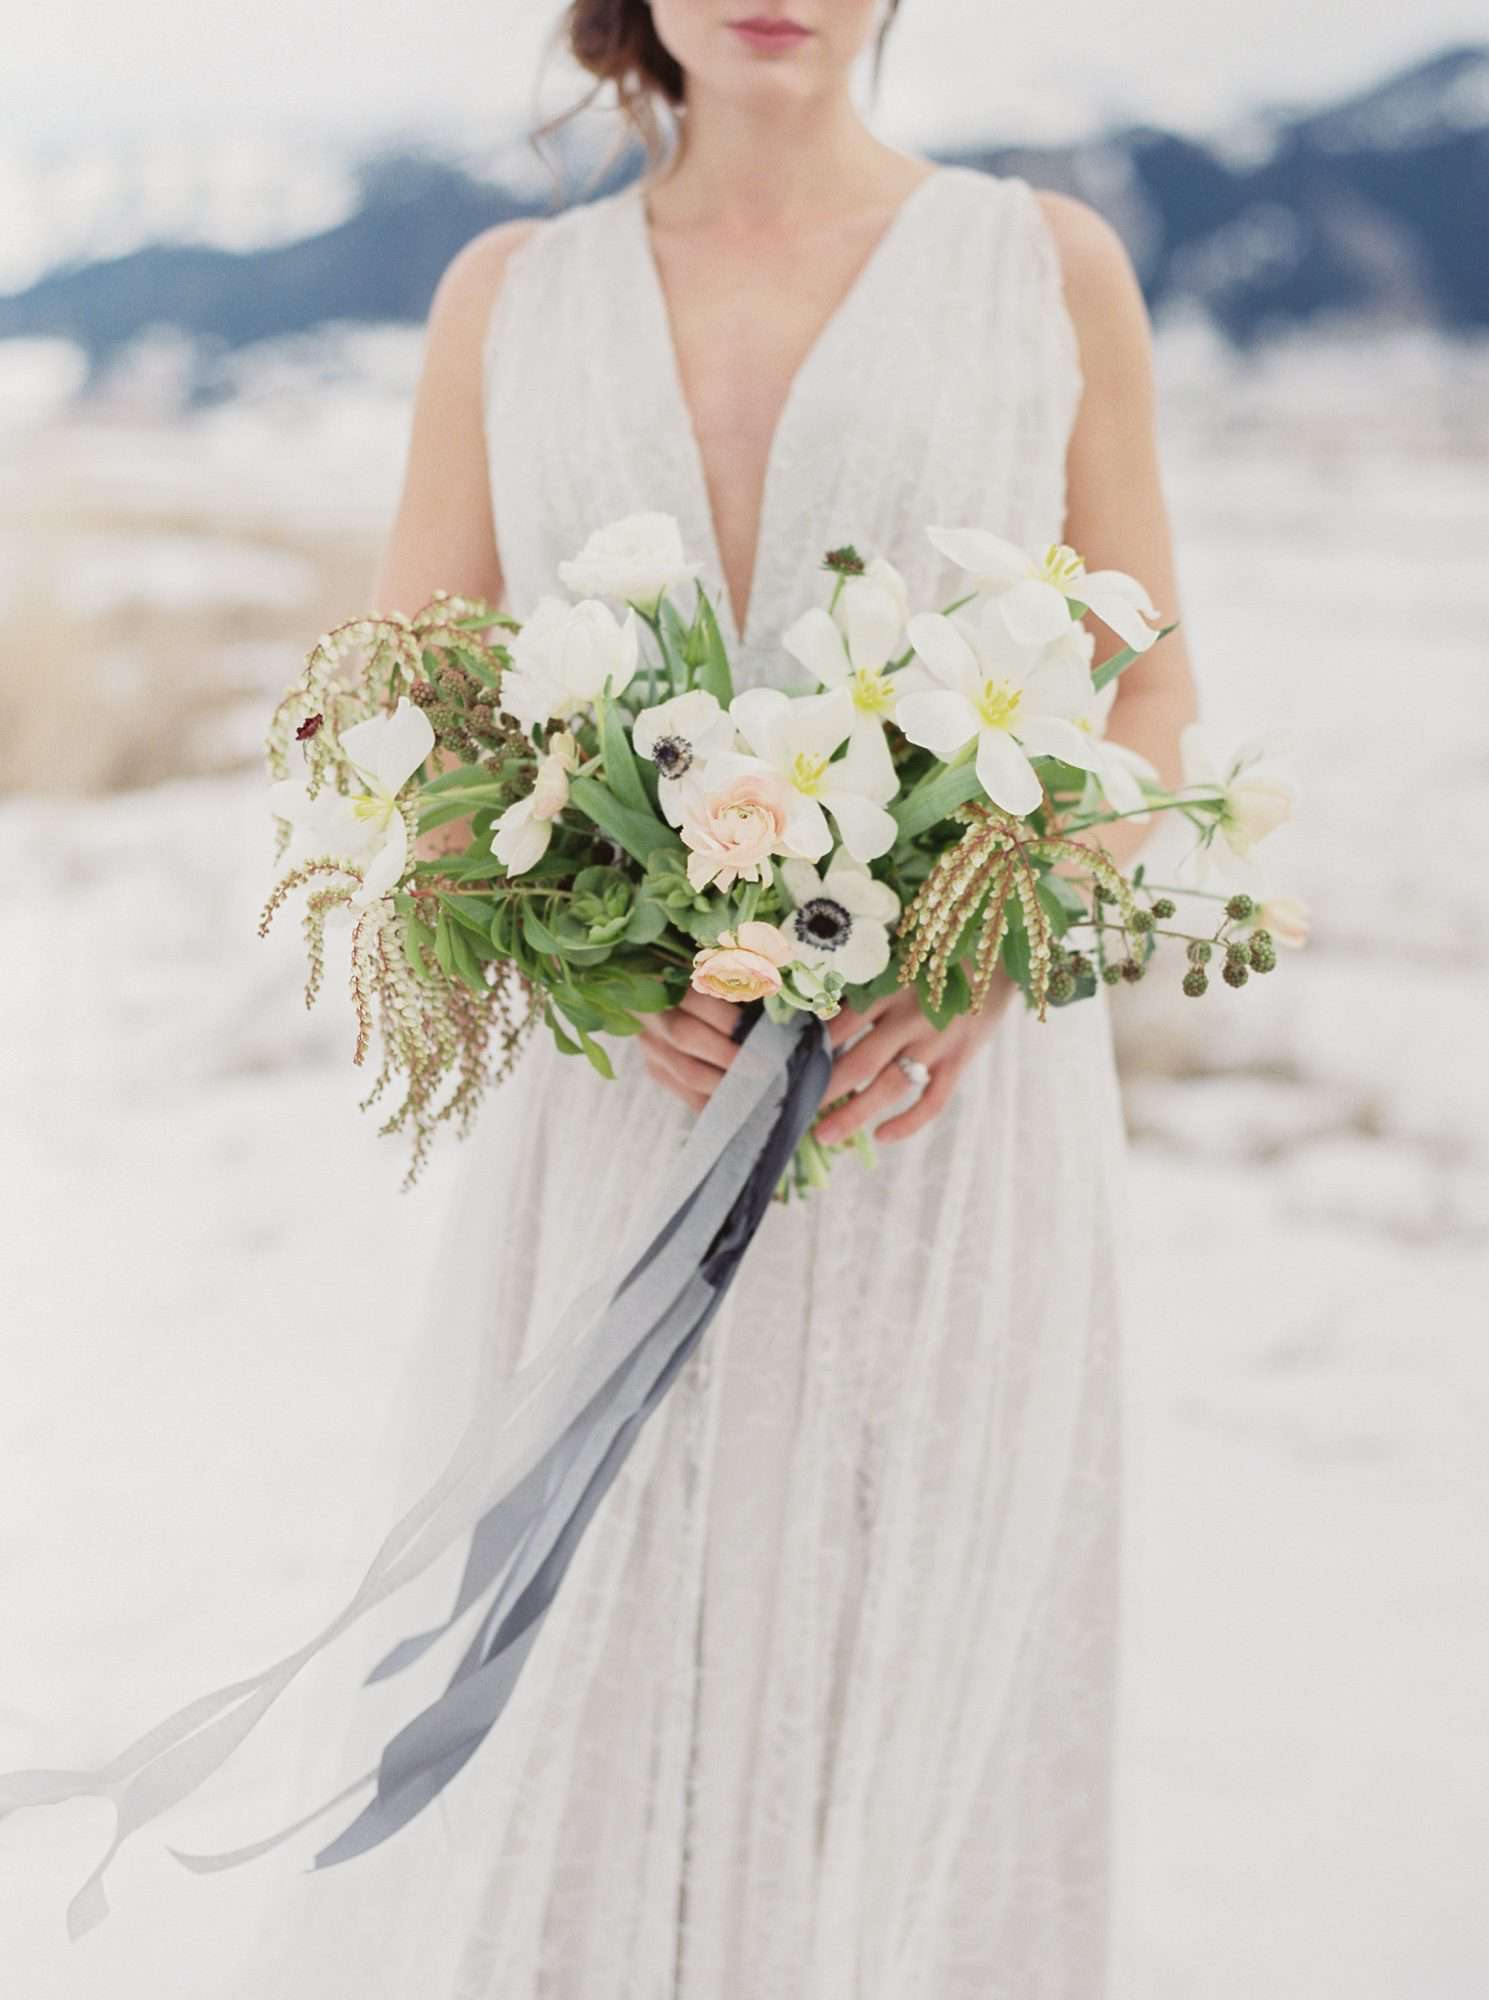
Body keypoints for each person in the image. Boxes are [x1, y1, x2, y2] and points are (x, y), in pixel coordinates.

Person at [254, 2, 1199, 1994]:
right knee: (591, 1697)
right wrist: (585, 979)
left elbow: (1152, 688)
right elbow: (427, 712)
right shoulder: (507, 297)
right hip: (625, 1114)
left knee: (908, 1662)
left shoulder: (1045, 268)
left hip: (936, 1113)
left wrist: (992, 942)